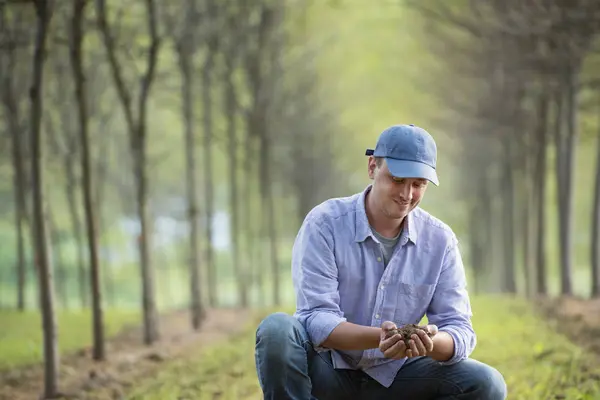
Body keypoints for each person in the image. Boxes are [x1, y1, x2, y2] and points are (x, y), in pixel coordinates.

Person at [254, 124, 507, 399]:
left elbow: (459, 330)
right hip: (328, 370)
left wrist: (427, 342)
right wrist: (380, 337)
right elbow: (316, 318)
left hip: (398, 377)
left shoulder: (441, 241)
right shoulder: (324, 223)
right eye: (398, 180)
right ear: (373, 167)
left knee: (487, 384)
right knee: (277, 330)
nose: (407, 195)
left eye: (418, 184)